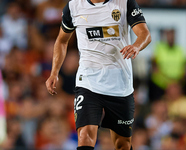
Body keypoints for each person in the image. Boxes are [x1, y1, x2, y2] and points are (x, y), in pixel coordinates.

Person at [46, 0, 151, 149]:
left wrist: (136, 46)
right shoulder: (74, 6)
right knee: (85, 136)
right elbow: (62, 41)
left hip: (120, 84)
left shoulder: (124, 3)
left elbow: (145, 34)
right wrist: (54, 72)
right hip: (88, 82)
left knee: (123, 144)